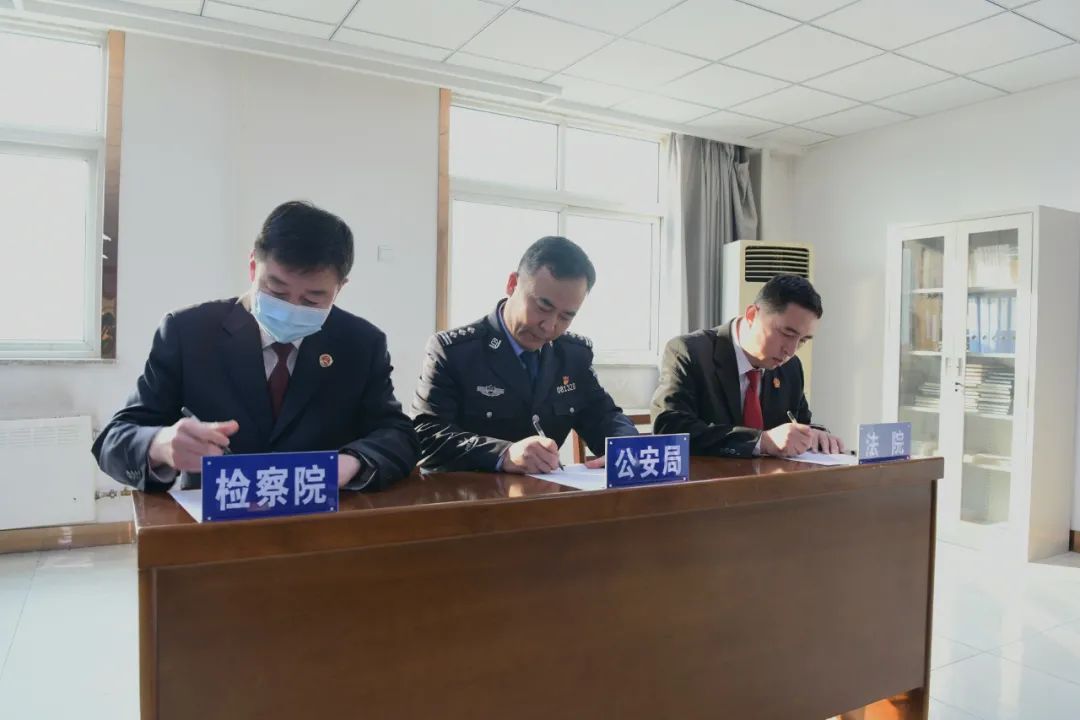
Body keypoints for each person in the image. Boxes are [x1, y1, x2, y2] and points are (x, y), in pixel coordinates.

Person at [92, 201, 418, 492]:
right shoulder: (188, 332)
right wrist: (158, 445)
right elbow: (114, 440)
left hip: (320, 522)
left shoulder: (361, 343)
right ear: (252, 266)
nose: (291, 308)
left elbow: (398, 434)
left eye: (312, 299)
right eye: (276, 291)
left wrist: (352, 463)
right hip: (215, 524)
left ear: (339, 288)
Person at [412, 236, 637, 473]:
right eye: (543, 307)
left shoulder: (573, 355)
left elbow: (605, 417)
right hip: (467, 493)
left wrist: (626, 448)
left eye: (566, 317)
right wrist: (503, 455)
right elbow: (426, 435)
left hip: (546, 492)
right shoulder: (455, 352)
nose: (549, 326)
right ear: (512, 285)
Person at [650, 274, 844, 458]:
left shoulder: (790, 368)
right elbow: (669, 428)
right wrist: (761, 441)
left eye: (803, 340)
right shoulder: (689, 352)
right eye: (787, 333)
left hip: (771, 480)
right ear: (752, 315)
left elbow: (799, 423)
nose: (791, 351)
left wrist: (814, 435)